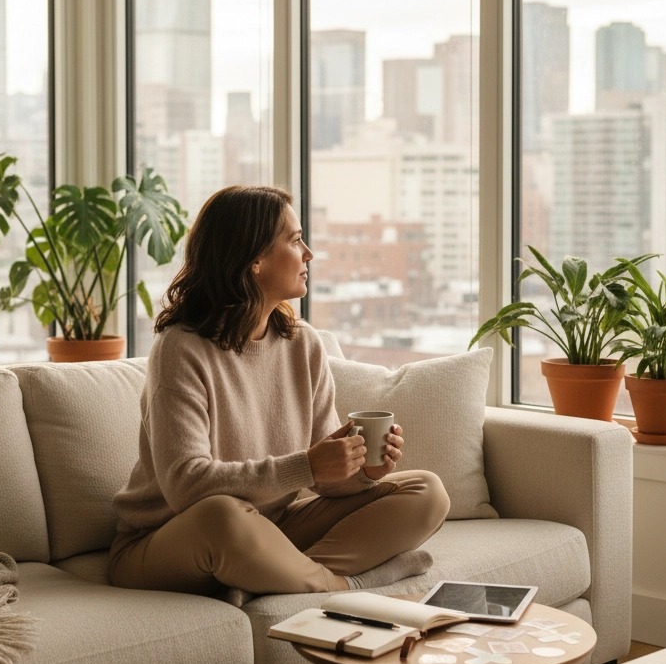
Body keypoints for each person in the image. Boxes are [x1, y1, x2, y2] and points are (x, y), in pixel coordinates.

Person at [108, 185, 450, 603]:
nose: (308, 254)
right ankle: (347, 583)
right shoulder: (181, 349)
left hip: (271, 527)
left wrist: (362, 471)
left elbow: (325, 479)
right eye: (294, 240)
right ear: (253, 260)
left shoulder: (303, 343)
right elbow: (187, 487)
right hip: (167, 539)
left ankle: (266, 577)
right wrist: (307, 466)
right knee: (222, 514)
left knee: (425, 491)